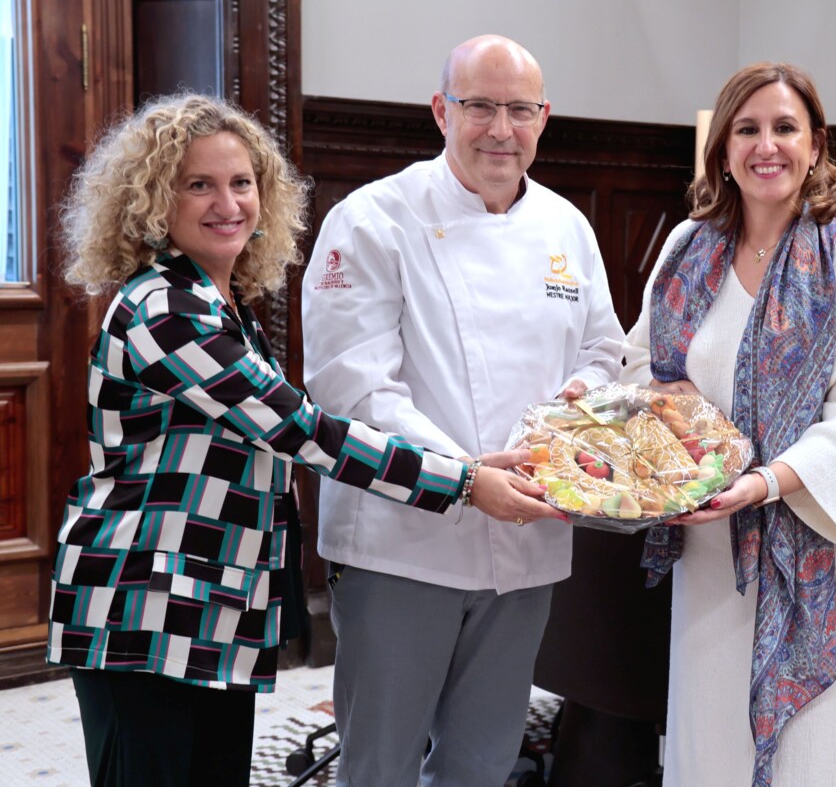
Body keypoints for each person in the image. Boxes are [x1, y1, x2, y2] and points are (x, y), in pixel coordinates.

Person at [47, 93, 554, 787]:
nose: (227, 203)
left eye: (241, 182)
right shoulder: (163, 309)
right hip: (145, 607)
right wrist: (464, 482)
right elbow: (304, 432)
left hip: (210, 606)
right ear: (152, 199)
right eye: (199, 184)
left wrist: (463, 467)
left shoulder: (215, 300)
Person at [300, 35, 624, 786]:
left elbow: (603, 352)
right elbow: (354, 387)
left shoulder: (566, 228)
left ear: (543, 118)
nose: (500, 129)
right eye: (479, 106)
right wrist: (466, 475)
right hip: (403, 541)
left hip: (528, 543)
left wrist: (580, 403)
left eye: (519, 110)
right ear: (442, 111)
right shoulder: (373, 219)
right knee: (380, 762)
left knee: (484, 760)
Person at [622, 63, 836, 786]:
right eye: (746, 129)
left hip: (813, 533)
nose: (766, 145)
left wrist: (766, 483)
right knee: (708, 731)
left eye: (785, 128)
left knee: (810, 748)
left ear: (815, 146)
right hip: (709, 536)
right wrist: (660, 406)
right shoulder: (689, 246)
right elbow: (639, 368)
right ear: (722, 148)